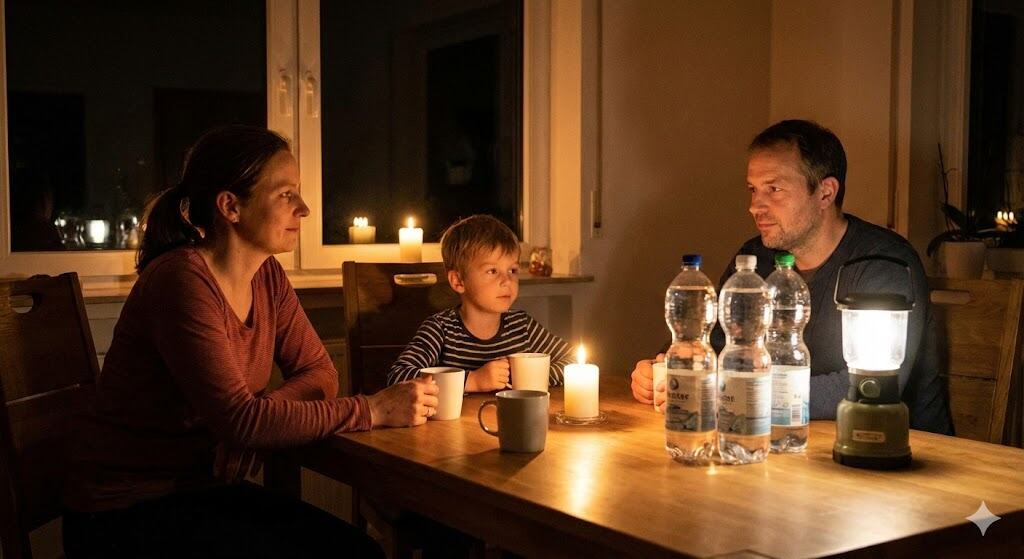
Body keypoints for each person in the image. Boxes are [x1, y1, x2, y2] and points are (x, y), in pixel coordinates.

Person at [63, 125, 439, 558]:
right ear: (230, 206)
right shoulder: (181, 281)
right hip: (125, 513)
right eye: (285, 194)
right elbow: (241, 420)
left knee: (357, 550)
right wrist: (371, 409)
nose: (305, 209)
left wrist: (254, 425)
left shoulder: (267, 276)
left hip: (199, 494)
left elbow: (320, 373)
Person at [630, 119, 953, 435]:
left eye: (774, 189)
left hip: (891, 453)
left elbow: (868, 386)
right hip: (783, 444)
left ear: (825, 193)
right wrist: (666, 370)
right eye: (753, 190)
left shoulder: (883, 263)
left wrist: (732, 392)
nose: (755, 206)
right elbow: (712, 343)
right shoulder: (756, 260)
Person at [387, 214, 572, 391]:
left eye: (512, 270)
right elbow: (398, 376)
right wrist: (472, 381)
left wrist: (529, 376)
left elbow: (572, 362)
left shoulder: (522, 326)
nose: (507, 281)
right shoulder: (441, 330)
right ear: (458, 281)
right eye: (492, 271)